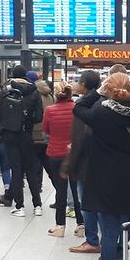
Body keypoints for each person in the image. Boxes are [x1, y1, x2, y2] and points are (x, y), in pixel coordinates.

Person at [74, 73, 130, 260]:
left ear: (108, 91)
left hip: (105, 183)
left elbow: (79, 107)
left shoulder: (99, 114)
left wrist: (97, 91)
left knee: (110, 234)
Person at [0, 65, 43, 217]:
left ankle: (20, 206)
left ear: (13, 75)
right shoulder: (34, 91)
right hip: (26, 135)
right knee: (31, 170)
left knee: (16, 170)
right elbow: (39, 117)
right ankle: (37, 205)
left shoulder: (6, 90)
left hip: (10, 135)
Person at [65, 70, 102, 253]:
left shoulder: (82, 107)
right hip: (104, 162)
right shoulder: (105, 103)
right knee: (103, 202)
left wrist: (69, 165)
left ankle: (92, 239)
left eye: (79, 82)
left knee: (86, 203)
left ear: (85, 85)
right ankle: (110, 237)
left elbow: (78, 140)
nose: (77, 85)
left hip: (85, 164)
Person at [42, 81, 82, 237]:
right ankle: (81, 224)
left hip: (56, 153)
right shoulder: (78, 110)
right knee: (76, 190)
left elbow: (46, 130)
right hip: (75, 154)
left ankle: (60, 226)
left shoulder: (50, 110)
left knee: (60, 190)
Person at [31, 78, 55, 195]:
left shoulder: (35, 97)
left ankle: (37, 187)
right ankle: (60, 193)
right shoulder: (51, 97)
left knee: (35, 165)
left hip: (35, 135)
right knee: (50, 168)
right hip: (48, 136)